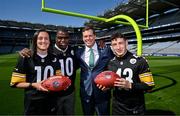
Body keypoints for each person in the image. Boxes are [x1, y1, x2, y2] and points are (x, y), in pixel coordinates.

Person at [18, 28, 78, 115]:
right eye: (60, 37)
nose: (63, 40)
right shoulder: (49, 51)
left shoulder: (74, 51)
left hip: (70, 92)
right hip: (54, 94)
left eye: (66, 38)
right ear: (55, 38)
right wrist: (25, 51)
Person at [10, 29, 61, 115]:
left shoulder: (55, 58)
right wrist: (34, 85)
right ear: (35, 40)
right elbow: (15, 83)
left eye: (46, 38)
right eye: (40, 38)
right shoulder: (26, 57)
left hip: (51, 102)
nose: (43, 41)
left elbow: (58, 79)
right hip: (33, 104)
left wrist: (62, 82)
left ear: (49, 41)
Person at [108, 32, 155, 115]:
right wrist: (107, 87)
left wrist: (130, 85)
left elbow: (149, 86)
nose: (118, 47)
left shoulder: (140, 61)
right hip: (117, 109)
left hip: (136, 108)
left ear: (126, 43)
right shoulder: (111, 63)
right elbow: (112, 84)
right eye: (114, 44)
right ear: (112, 47)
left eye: (120, 43)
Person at [75, 26, 114, 115]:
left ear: (95, 36)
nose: (88, 38)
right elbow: (72, 68)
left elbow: (116, 67)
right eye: (85, 36)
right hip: (86, 94)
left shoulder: (106, 51)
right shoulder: (78, 53)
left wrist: (111, 84)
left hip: (103, 93)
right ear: (82, 38)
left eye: (90, 36)